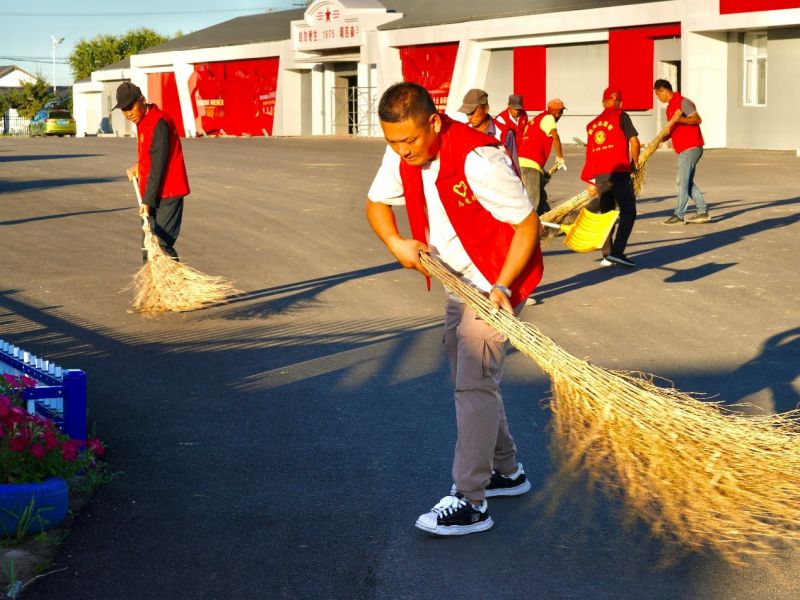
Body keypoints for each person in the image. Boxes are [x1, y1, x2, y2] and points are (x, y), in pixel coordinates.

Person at [366, 82, 543, 536]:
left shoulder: (478, 159)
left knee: (473, 383)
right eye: (393, 141)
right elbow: (376, 203)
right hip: (454, 281)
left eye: (410, 140)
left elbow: (527, 225)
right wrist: (394, 242)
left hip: (493, 284)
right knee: (470, 379)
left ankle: (470, 499)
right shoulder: (401, 149)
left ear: (434, 121)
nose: (403, 151)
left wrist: (503, 285)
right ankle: (506, 471)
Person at [114, 81, 190, 260]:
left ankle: (174, 286)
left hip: (169, 192)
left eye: (130, 107)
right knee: (148, 248)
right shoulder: (144, 121)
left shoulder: (160, 122)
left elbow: (159, 165)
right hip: (153, 191)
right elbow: (150, 157)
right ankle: (153, 286)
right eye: (124, 110)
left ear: (142, 100)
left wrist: (147, 202)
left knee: (161, 245)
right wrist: (138, 167)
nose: (128, 114)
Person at [580, 87, 640, 267]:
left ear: (603, 101)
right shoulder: (621, 116)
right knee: (628, 211)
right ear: (619, 102)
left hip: (600, 176)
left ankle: (607, 255)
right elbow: (634, 141)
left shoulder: (592, 125)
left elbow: (590, 153)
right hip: (619, 173)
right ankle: (618, 252)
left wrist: (591, 180)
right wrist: (635, 163)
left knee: (607, 215)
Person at [654, 79, 711, 224]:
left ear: (664, 91)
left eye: (658, 95)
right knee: (687, 182)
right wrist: (659, 140)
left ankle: (679, 215)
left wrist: (680, 119)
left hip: (691, 147)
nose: (658, 98)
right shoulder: (669, 108)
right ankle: (702, 211)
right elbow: (672, 130)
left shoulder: (683, 102)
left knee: (681, 183)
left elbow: (697, 119)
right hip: (683, 149)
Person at [517, 98, 567, 215]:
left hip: (521, 163)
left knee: (541, 198)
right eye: (561, 113)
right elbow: (555, 135)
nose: (561, 116)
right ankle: (528, 230)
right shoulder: (549, 118)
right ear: (557, 112)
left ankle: (550, 225)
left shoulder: (535, 119)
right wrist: (560, 157)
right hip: (530, 165)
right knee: (533, 202)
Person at [457, 88, 520, 172]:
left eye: (472, 112)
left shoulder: (505, 133)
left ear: (486, 109)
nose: (469, 117)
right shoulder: (462, 132)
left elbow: (515, 167)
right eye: (467, 113)